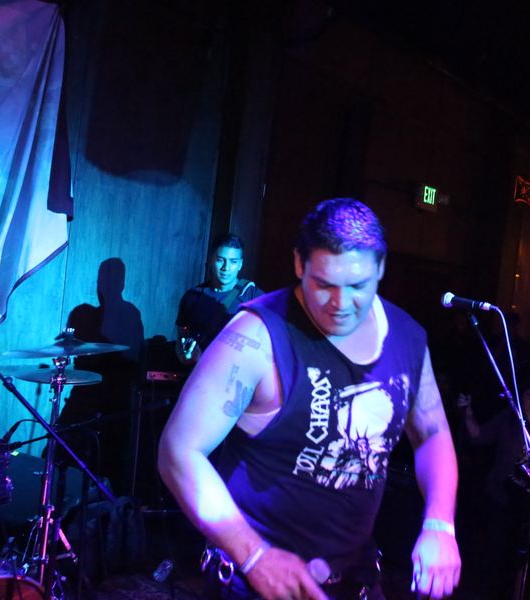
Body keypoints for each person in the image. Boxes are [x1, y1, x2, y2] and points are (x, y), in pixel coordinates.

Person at [158, 199, 461, 599]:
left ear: (380, 268)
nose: (340, 303)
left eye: (357, 286)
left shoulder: (406, 337)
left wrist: (440, 524)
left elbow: (433, 436)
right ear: (299, 264)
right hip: (254, 581)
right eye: (324, 284)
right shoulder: (256, 336)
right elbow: (179, 451)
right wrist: (254, 555)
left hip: (354, 577)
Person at [461, 377, 530, 598]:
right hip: (502, 500)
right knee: (498, 556)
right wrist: (467, 412)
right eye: (529, 395)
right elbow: (479, 436)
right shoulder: (509, 419)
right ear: (521, 398)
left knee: (529, 561)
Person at [176, 234, 264, 364]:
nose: (226, 268)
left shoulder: (253, 296)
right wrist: (185, 356)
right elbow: (180, 340)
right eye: (220, 260)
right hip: (200, 371)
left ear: (240, 264)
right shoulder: (192, 296)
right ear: (211, 260)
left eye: (233, 262)